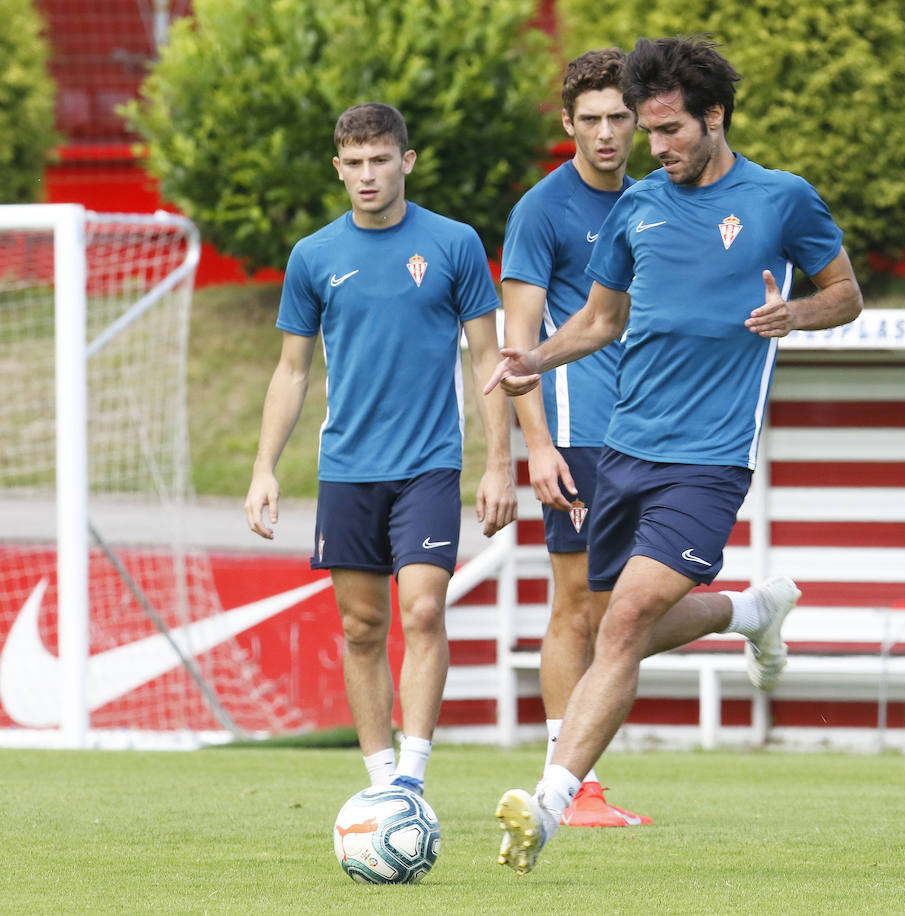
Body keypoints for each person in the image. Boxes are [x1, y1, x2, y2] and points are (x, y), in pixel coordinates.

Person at [485, 36, 863, 874]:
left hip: (711, 456)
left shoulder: (781, 199)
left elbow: (846, 294)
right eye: (648, 133)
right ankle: (750, 612)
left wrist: (796, 315)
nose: (655, 150)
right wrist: (533, 361)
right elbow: (601, 321)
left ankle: (549, 807)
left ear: (713, 117)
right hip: (625, 449)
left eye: (668, 131)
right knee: (615, 620)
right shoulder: (637, 208)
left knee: (618, 626)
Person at [244, 102, 518, 797]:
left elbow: (487, 359)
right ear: (338, 169)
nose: (368, 175)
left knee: (424, 609)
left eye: (380, 160)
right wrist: (263, 469)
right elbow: (293, 370)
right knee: (362, 626)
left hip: (429, 465)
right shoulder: (313, 257)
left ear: (407, 161)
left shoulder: (454, 245)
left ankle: (412, 782)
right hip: (348, 469)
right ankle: (377, 782)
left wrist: (498, 464)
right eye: (354, 164)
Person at [500, 48, 651, 828]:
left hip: (653, 432)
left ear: (638, 119)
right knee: (579, 608)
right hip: (578, 433)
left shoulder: (655, 198)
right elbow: (517, 340)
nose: (604, 133)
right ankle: (573, 782)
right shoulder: (541, 211)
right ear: (567, 123)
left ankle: (746, 613)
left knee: (635, 605)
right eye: (589, 119)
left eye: (618, 117)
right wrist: (538, 443)